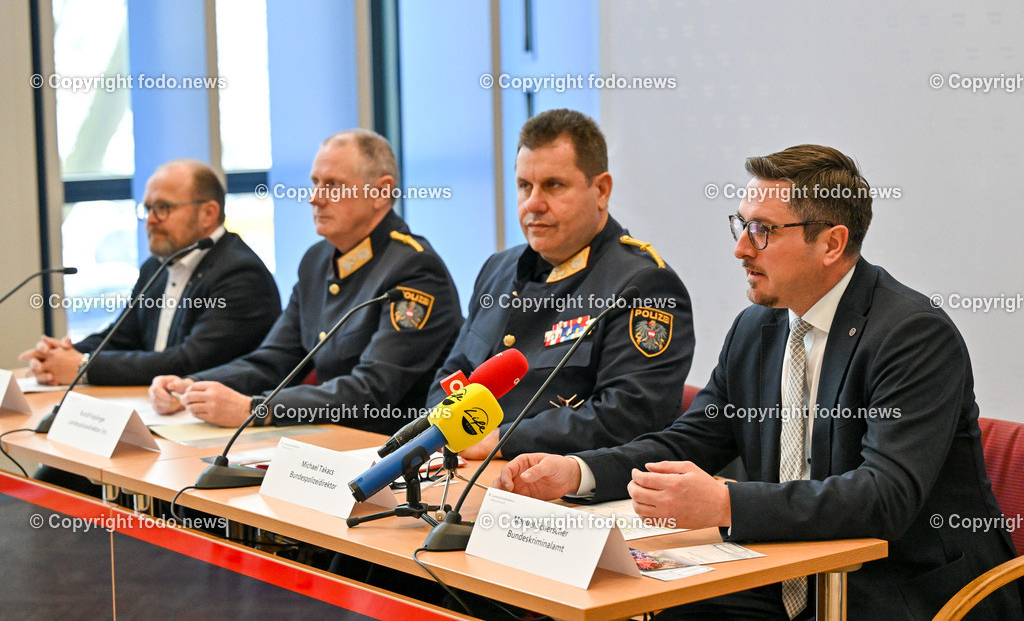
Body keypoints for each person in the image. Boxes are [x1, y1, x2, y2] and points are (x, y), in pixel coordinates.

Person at [498, 145, 1023, 619]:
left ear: (832, 243)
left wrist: (726, 505)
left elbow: (883, 497)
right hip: (780, 573)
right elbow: (689, 441)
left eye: (763, 231)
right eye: (741, 225)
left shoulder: (913, 335)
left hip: (905, 590)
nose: (741, 249)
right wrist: (578, 472)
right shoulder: (757, 328)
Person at [149, 129, 462, 435]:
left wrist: (257, 409)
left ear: (381, 192)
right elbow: (274, 360)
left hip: (386, 450)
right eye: (315, 183)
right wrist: (192, 385)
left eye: (333, 185)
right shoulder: (316, 260)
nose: (314, 198)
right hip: (324, 441)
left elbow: (373, 390)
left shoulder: (415, 269)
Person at [428, 109, 694, 459]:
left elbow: (627, 416)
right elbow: (453, 374)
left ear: (601, 190)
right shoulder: (498, 268)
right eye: (524, 186)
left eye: (554, 185)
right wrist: (443, 436)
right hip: (470, 470)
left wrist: (502, 441)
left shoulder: (643, 285)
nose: (533, 204)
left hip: (573, 483)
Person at [19, 159, 280, 386]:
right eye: (147, 209)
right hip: (157, 405)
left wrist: (83, 367)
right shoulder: (156, 267)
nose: (151, 220)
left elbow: (189, 361)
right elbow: (121, 336)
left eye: (164, 207)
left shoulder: (241, 275)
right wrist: (61, 355)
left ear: (208, 213)